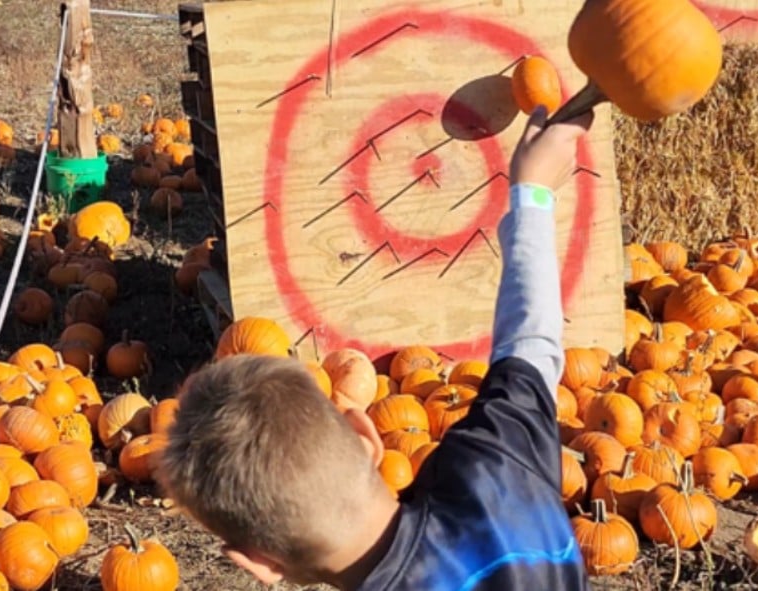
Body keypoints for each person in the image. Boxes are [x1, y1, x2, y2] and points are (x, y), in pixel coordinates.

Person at [160, 104, 594, 591]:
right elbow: (531, 342)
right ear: (365, 434)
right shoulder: (497, 467)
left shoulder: (497, 458)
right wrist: (532, 194)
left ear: (261, 565)